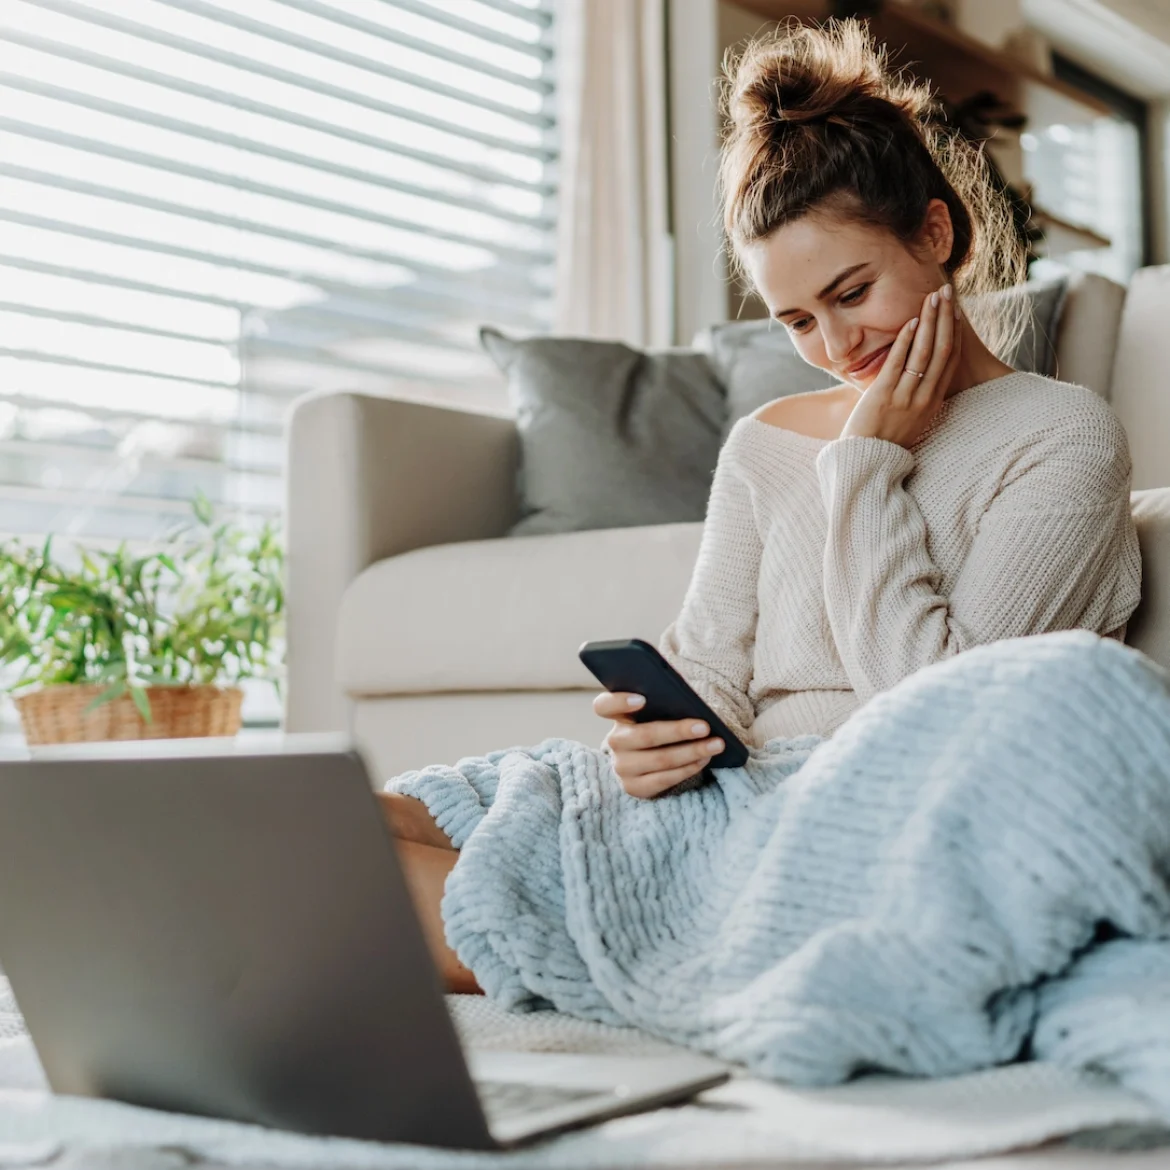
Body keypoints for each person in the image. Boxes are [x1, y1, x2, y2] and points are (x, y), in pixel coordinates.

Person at [380, 19, 1141, 994]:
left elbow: (950, 725)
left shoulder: (1059, 436)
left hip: (840, 823)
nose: (836, 345)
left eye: (851, 291)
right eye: (795, 320)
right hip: (719, 797)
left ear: (936, 234)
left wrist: (867, 465)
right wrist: (652, 741)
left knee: (375, 886)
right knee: (349, 819)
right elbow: (709, 664)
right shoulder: (766, 439)